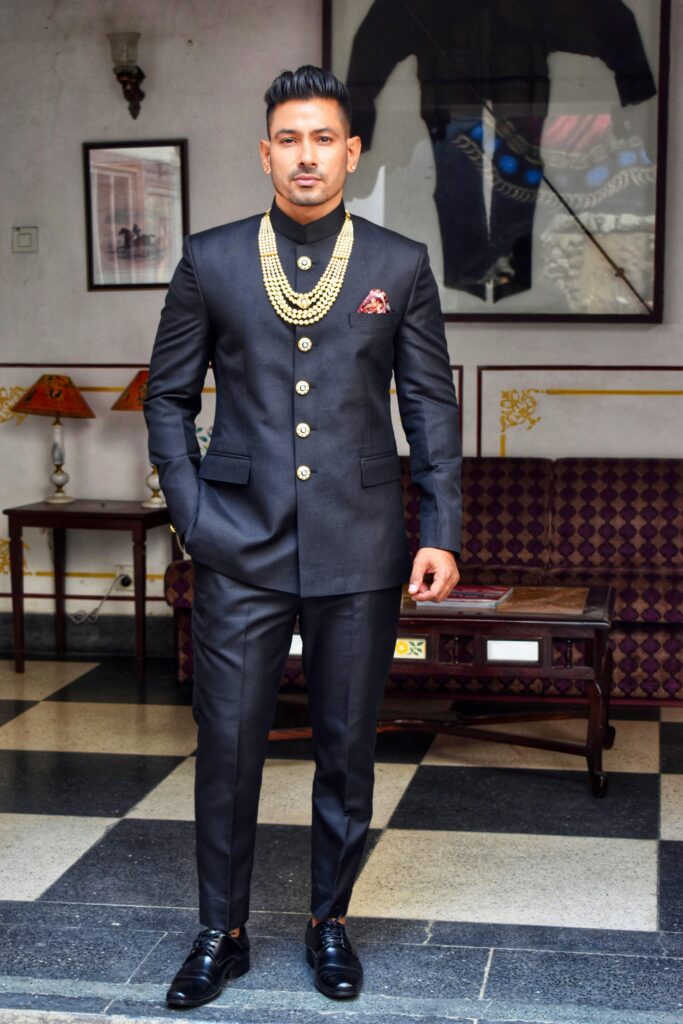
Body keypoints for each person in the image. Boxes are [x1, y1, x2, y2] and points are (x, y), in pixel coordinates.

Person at [144, 65, 462, 1008]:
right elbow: (166, 397)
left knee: (344, 748)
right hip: (235, 545)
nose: (307, 155)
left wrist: (437, 529)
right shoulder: (212, 259)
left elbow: (430, 408)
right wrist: (193, 515)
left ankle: (329, 923)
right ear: (266, 152)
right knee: (229, 747)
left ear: (352, 152)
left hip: (360, 547)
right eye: (289, 138)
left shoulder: (398, 265)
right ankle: (221, 931)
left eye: (324, 138)